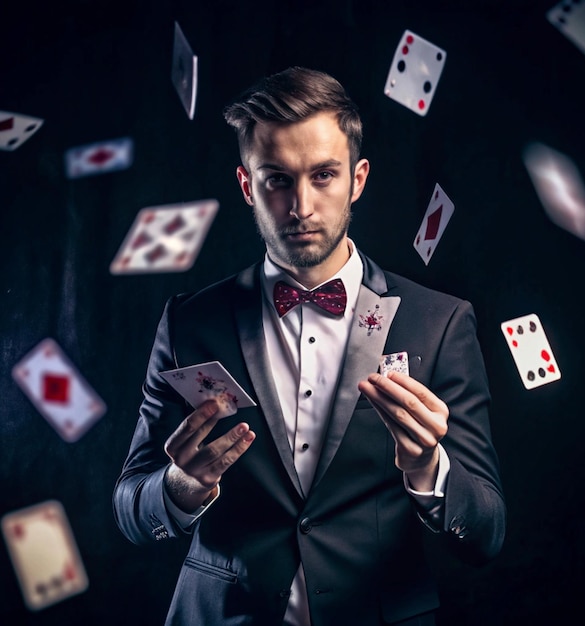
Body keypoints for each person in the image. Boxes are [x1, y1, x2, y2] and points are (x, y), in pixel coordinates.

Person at [113, 66, 506, 626]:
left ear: (358, 178)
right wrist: (181, 486)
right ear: (247, 184)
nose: (301, 206)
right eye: (277, 179)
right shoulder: (189, 322)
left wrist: (428, 469)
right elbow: (129, 508)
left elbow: (486, 532)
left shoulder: (439, 322)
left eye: (323, 175)